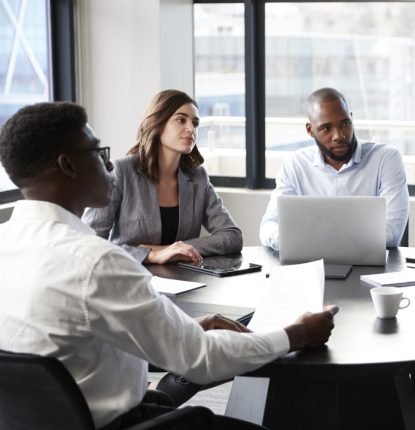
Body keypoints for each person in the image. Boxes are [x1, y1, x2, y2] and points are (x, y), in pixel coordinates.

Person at [0, 102, 337, 429]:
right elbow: (202, 360)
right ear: (67, 166)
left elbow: (72, 339)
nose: (109, 167)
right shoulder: (96, 261)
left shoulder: (6, 241)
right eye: (99, 154)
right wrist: (296, 334)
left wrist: (183, 328)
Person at [83, 89, 242, 265]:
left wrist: (175, 248)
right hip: (131, 279)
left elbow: (232, 236)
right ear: (158, 124)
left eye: (195, 123)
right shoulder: (121, 171)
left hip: (185, 282)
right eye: (181, 120)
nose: (191, 129)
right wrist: (150, 255)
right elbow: (89, 243)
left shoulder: (198, 177)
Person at [258, 87, 409, 250]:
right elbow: (268, 226)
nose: (338, 136)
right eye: (326, 128)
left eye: (344, 124)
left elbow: (392, 233)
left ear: (351, 119)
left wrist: (309, 240)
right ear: (310, 130)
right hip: (311, 265)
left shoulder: (385, 159)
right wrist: (293, 241)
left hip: (369, 269)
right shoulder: (296, 164)